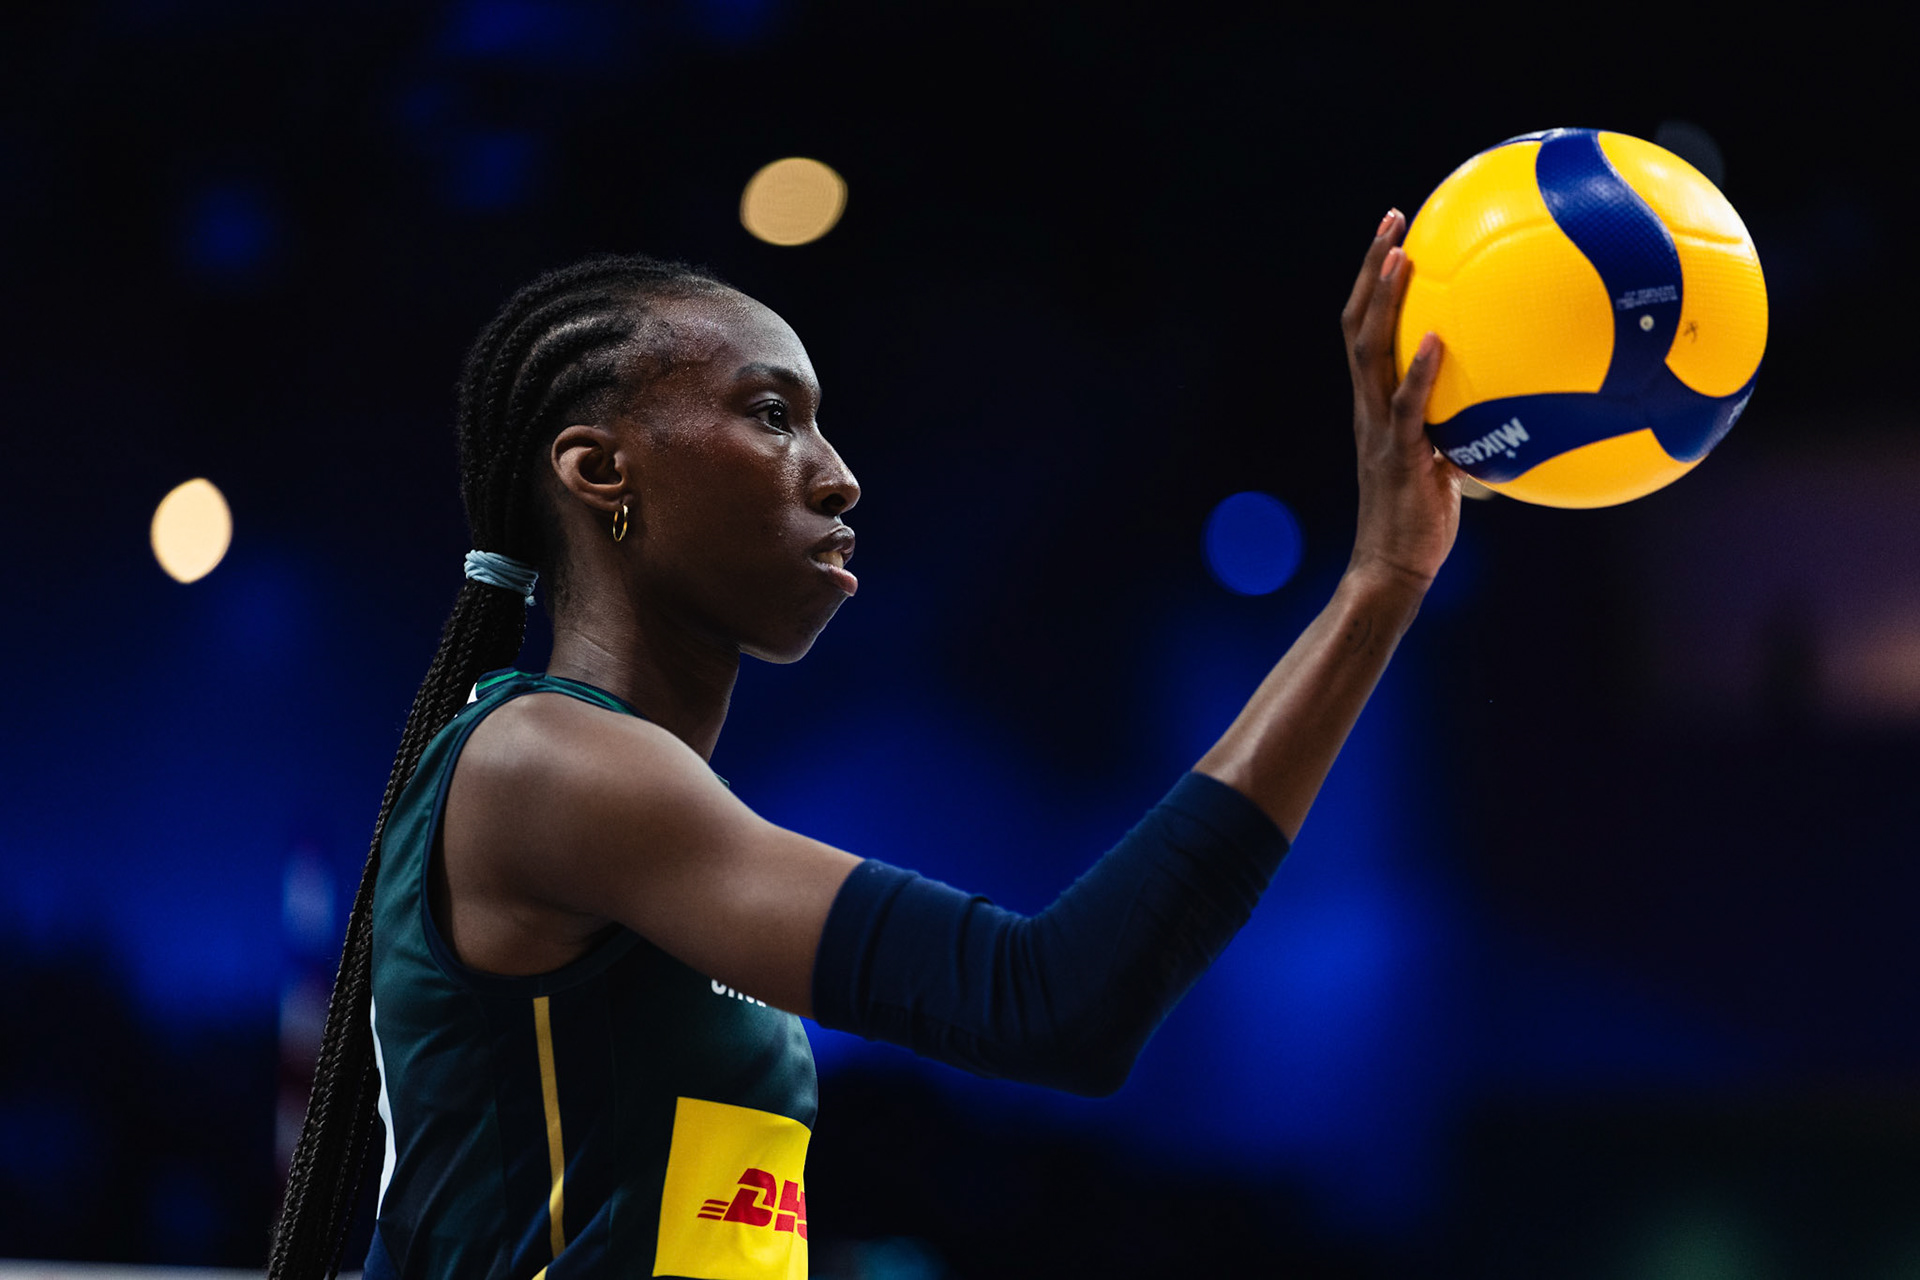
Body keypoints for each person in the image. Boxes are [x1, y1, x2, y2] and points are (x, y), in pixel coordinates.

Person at [269, 210, 1458, 1280]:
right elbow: (1051, 998)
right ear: (600, 471)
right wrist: (1379, 585)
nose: (837, 476)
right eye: (772, 414)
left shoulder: (646, 811)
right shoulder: (551, 763)